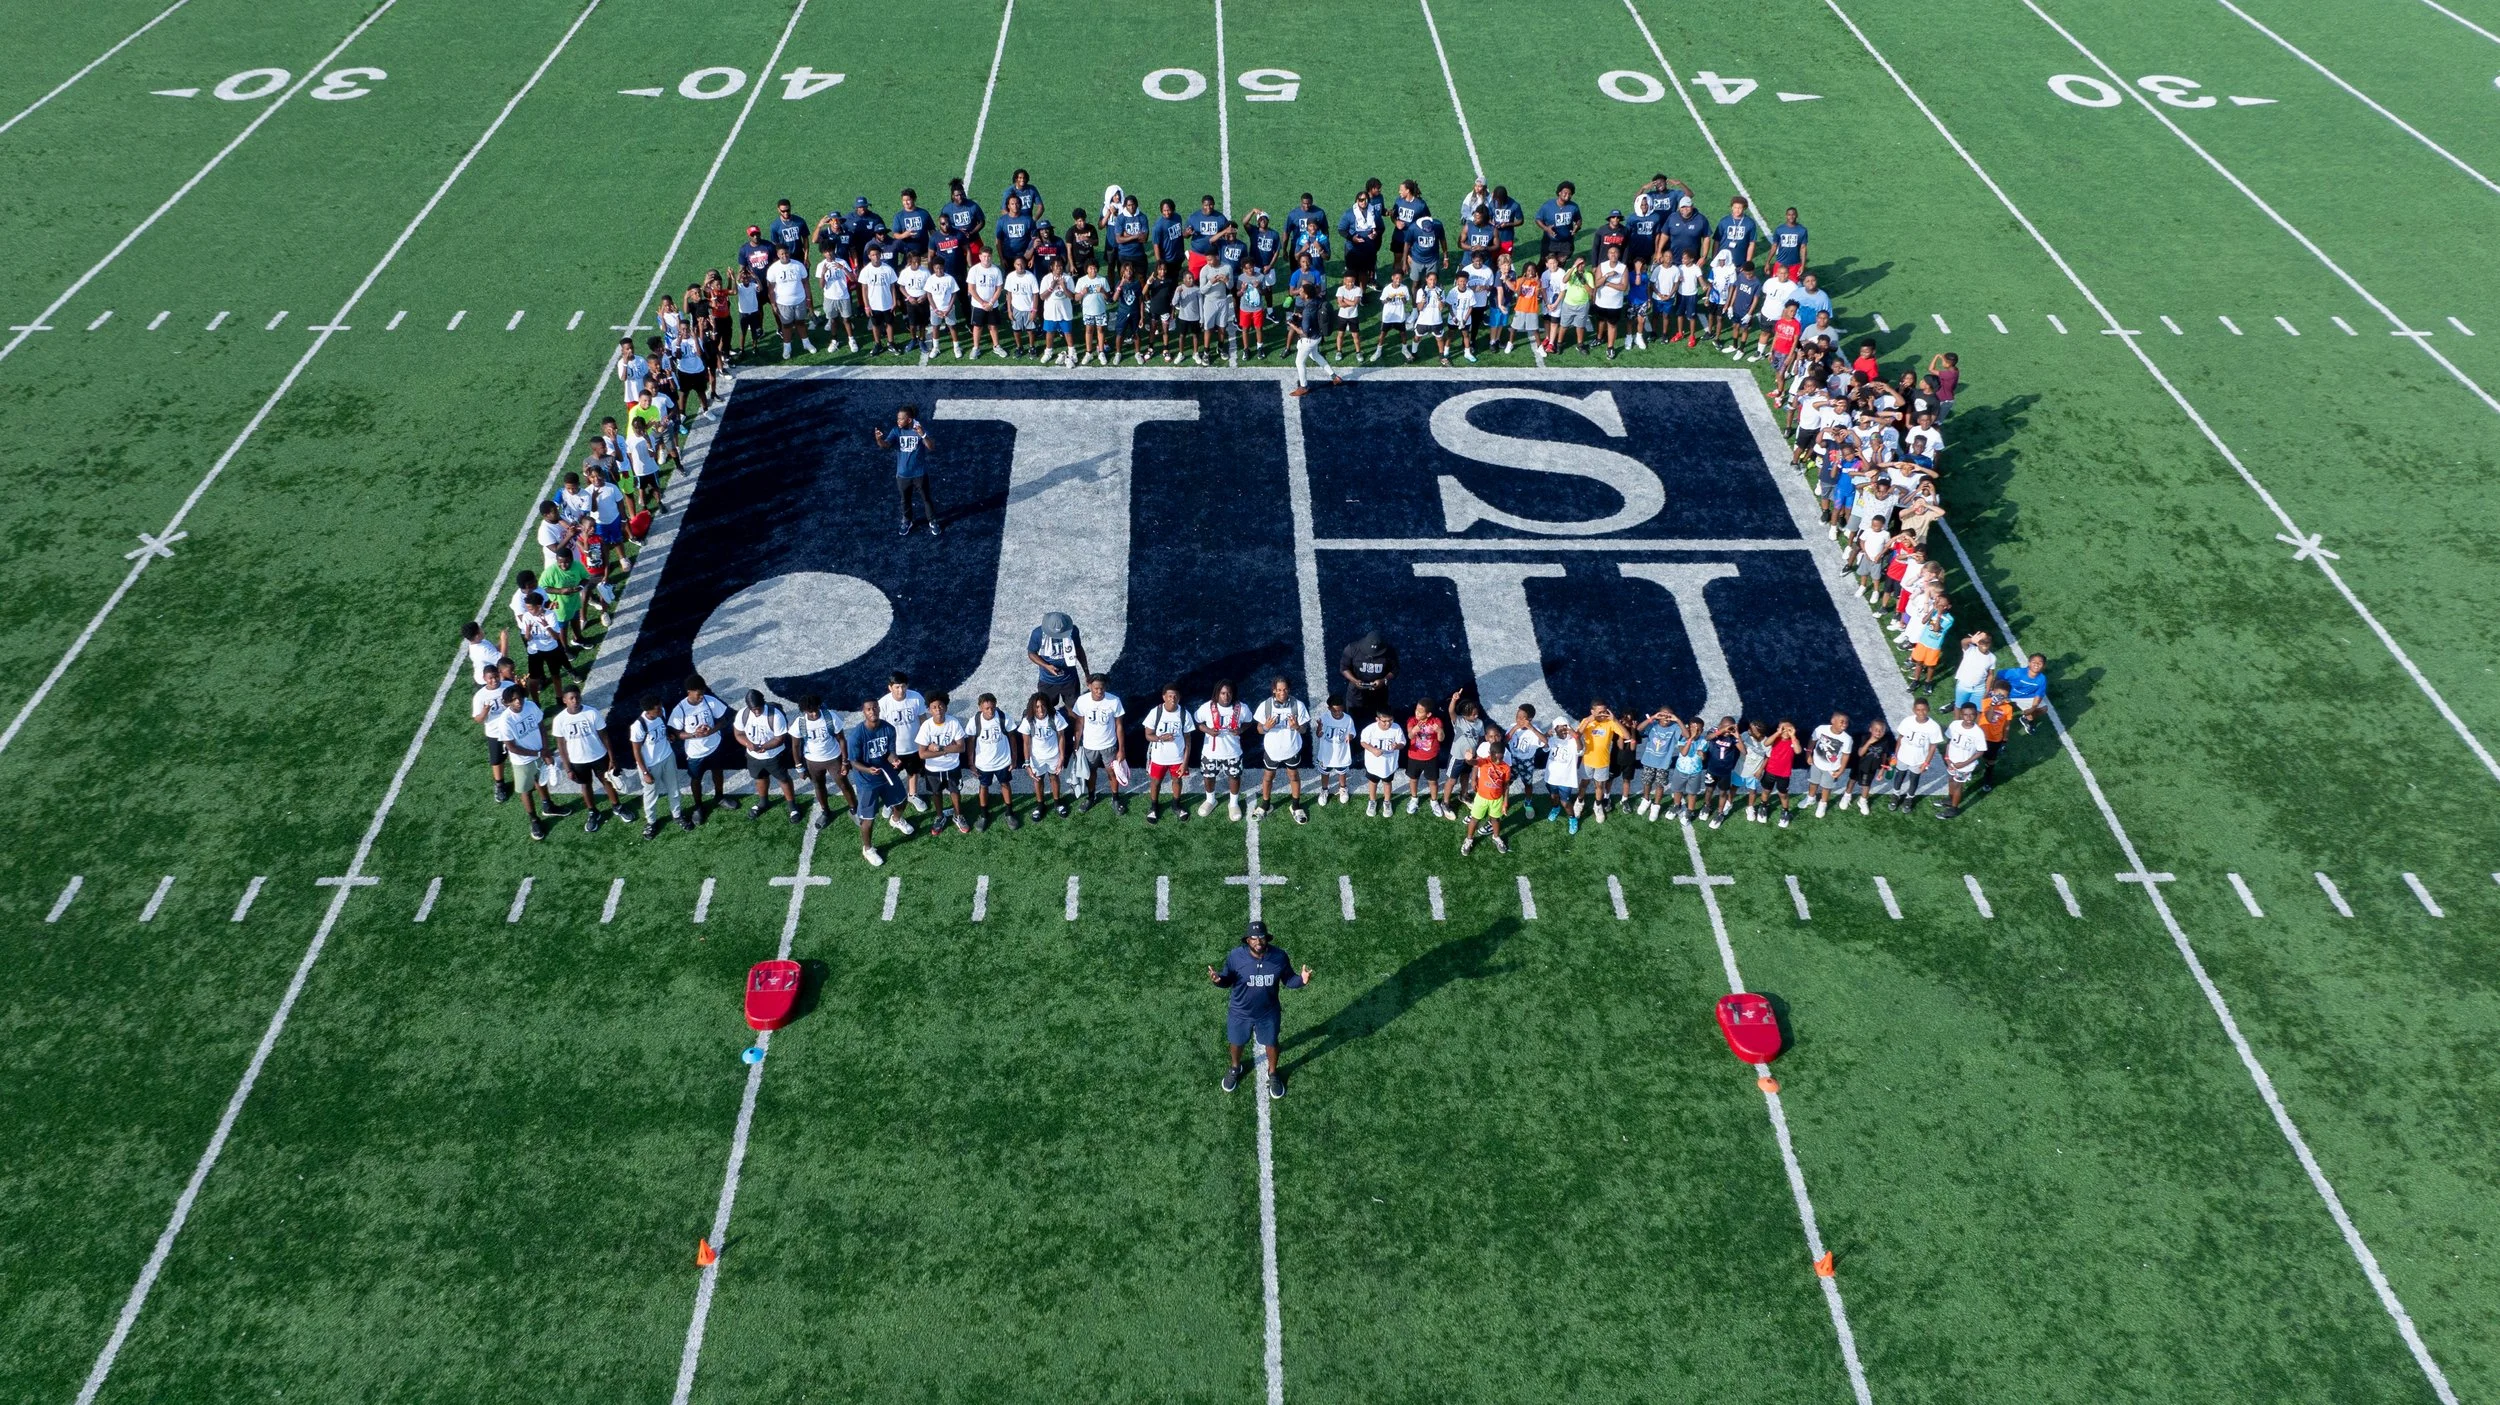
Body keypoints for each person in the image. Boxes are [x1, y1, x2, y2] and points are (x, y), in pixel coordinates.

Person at [1209, 921, 1311, 1098]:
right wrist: (1218, 980)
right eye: (1254, 938)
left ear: (1267, 938)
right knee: (1236, 1042)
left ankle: (1272, 1073)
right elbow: (1227, 979)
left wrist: (1301, 980)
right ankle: (1235, 1067)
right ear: (1247, 940)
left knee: (1271, 1043)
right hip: (1240, 1012)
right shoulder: (1235, 956)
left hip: (1268, 1012)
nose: (1258, 941)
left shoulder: (1279, 957)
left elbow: (1288, 980)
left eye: (1261, 937)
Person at [844, 697, 916, 865]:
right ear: (864, 712)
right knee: (868, 820)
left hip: (886, 773)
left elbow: (890, 753)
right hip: (867, 781)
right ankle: (868, 849)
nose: (872, 711)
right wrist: (868, 769)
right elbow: (853, 762)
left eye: (875, 708)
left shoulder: (889, 729)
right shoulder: (856, 735)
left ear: (879, 708)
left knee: (902, 802)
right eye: (869, 709)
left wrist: (895, 760)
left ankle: (896, 820)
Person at [550, 685, 622, 834]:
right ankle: (592, 812)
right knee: (585, 785)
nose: (575, 700)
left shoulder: (592, 712)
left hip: (598, 755)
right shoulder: (560, 720)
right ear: (564, 700)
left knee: (607, 781)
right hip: (577, 760)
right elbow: (561, 746)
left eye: (577, 697)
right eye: (571, 698)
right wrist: (568, 768)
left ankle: (617, 806)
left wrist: (612, 757)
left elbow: (604, 736)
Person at [488, 683, 553, 841]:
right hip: (522, 761)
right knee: (526, 790)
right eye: (514, 699)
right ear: (507, 702)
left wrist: (545, 750)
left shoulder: (530, 706)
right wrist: (538, 752)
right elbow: (512, 747)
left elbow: (541, 727)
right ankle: (534, 820)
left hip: (539, 753)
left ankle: (547, 805)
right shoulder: (505, 721)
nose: (519, 702)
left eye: (520, 698)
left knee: (541, 781)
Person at [628, 693, 694, 837]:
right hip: (650, 765)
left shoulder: (661, 713)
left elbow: (664, 730)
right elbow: (637, 751)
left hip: (667, 757)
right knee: (651, 795)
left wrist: (669, 736)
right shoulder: (638, 726)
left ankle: (677, 815)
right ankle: (651, 822)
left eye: (660, 707)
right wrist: (645, 772)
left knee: (674, 789)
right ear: (648, 711)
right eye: (657, 709)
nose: (661, 710)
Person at [668, 675, 732, 820]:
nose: (701, 696)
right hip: (695, 752)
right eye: (698, 694)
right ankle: (698, 806)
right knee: (696, 779)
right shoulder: (680, 709)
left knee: (718, 772)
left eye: (703, 692)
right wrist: (694, 735)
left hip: (714, 746)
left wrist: (712, 731)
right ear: (689, 692)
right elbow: (676, 733)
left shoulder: (709, 701)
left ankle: (720, 797)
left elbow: (723, 720)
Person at [735, 689, 800, 822]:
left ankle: (792, 807)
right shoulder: (743, 714)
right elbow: (738, 733)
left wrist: (763, 747)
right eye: (754, 710)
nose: (757, 712)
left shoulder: (775, 715)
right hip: (753, 757)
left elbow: (779, 738)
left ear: (763, 703)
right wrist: (749, 744)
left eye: (759, 708)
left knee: (783, 779)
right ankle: (763, 802)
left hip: (774, 756)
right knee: (760, 778)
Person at [875, 403, 938, 538]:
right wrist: (879, 440)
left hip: (919, 474)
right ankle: (907, 521)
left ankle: (932, 521)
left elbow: (931, 447)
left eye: (901, 419)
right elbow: (886, 445)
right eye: (898, 419)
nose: (898, 421)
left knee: (926, 498)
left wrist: (923, 435)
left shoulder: (919, 429)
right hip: (903, 475)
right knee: (905, 500)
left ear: (909, 419)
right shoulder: (896, 431)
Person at [1252, 676, 1311, 821]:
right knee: (1268, 777)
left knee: (1293, 776)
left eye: (1285, 689)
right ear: (1274, 690)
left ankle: (1296, 806)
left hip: (1292, 749)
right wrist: (1266, 727)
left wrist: (1297, 726)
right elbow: (1259, 729)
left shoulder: (1298, 705)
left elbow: (1304, 730)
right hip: (1272, 750)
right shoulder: (1265, 705)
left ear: (1288, 689)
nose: (1282, 692)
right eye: (1279, 690)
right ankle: (1266, 805)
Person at [791, 694, 853, 827]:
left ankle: (854, 810)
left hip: (833, 758)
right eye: (810, 711)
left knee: (843, 784)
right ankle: (826, 812)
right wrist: (799, 767)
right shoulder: (800, 722)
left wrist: (845, 761)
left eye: (815, 710)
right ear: (804, 711)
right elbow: (795, 746)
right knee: (818, 786)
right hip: (812, 761)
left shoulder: (830, 717)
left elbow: (841, 739)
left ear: (819, 706)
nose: (813, 714)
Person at [915, 692, 973, 834]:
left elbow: (961, 747)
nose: (938, 709)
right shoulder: (926, 726)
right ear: (929, 709)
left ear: (946, 708)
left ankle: (958, 816)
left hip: (952, 766)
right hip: (933, 768)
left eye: (940, 706)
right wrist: (947, 750)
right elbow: (922, 753)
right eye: (934, 707)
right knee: (936, 792)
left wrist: (938, 748)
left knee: (955, 791)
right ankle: (939, 816)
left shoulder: (953, 722)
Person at [1071, 673, 1127, 814]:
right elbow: (1079, 724)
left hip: (1109, 746)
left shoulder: (1114, 701)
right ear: (1089, 686)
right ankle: (1091, 797)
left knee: (1112, 773)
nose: (1099, 691)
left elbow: (1119, 726)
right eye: (1096, 688)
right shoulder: (1082, 701)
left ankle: (1115, 798)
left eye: (1101, 688)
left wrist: (1121, 749)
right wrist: (1076, 745)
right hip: (1090, 746)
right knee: (1090, 774)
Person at [1194, 680, 1251, 820]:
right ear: (1217, 693)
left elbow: (1249, 722)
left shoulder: (1242, 708)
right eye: (1223, 693)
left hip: (1233, 751)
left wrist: (1241, 730)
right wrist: (1207, 730)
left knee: (1234, 777)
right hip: (1210, 752)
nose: (1226, 696)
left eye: (1229, 693)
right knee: (1208, 777)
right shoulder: (1207, 707)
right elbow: (1197, 722)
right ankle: (1210, 800)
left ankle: (1233, 803)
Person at [1140, 685, 1194, 825]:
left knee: (1177, 781)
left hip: (1177, 758)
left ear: (1179, 697)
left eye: (1175, 696)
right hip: (1159, 758)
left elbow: (1188, 740)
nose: (1172, 699)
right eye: (1169, 696)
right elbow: (1147, 735)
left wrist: (1185, 762)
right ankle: (1153, 806)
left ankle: (1176, 805)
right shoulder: (1155, 712)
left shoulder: (1184, 713)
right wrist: (1160, 738)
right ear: (1164, 697)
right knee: (1155, 782)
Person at [964, 693, 1019, 830]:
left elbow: (1012, 738)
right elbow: (970, 742)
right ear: (980, 708)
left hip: (1002, 761)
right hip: (983, 763)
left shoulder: (1003, 717)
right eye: (987, 708)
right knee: (983, 787)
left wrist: (1014, 758)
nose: (990, 711)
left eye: (992, 708)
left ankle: (1009, 813)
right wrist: (971, 763)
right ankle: (983, 815)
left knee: (1005, 784)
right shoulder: (974, 721)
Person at [1015, 691, 1070, 821]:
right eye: (1037, 707)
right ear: (1032, 708)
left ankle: (1057, 803)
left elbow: (1061, 737)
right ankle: (1040, 805)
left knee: (1054, 778)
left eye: (1043, 705)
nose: (1040, 709)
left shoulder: (1055, 716)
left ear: (1047, 705)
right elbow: (1026, 743)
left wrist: (1062, 757)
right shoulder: (1028, 720)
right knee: (1037, 780)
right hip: (1037, 758)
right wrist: (1027, 763)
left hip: (1053, 756)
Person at [1576, 702, 1633, 820]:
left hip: (1603, 762)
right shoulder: (1586, 721)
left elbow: (1627, 736)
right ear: (1592, 711)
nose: (1603, 714)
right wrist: (1588, 720)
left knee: (1599, 786)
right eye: (1600, 712)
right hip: (1587, 761)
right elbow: (1577, 735)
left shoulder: (1611, 722)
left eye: (1605, 711)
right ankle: (1579, 802)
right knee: (1583, 784)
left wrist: (1615, 720)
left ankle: (1597, 806)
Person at [1889, 699, 1944, 813]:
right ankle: (1896, 795)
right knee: (1899, 777)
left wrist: (1926, 763)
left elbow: (1933, 746)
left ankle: (1909, 798)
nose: (1921, 712)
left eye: (1924, 709)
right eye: (1918, 710)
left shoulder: (1933, 726)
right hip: (1903, 756)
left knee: (1914, 780)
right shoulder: (1907, 721)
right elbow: (1900, 738)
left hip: (1919, 759)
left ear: (1928, 709)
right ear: (1914, 710)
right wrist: (1895, 754)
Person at [1631, 707, 1683, 821]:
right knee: (1647, 782)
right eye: (1663, 715)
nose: (1666, 717)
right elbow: (1638, 729)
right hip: (1649, 761)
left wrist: (1678, 720)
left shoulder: (1675, 728)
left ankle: (1656, 805)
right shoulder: (1653, 724)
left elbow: (1687, 736)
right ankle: (1646, 799)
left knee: (1659, 785)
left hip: (1663, 763)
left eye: (1669, 715)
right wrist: (1653, 717)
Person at [1459, 740, 1511, 855]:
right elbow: (1473, 762)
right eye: (1495, 758)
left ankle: (1496, 837)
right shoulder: (1483, 761)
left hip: (1497, 800)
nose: (1498, 761)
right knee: (1475, 819)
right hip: (1481, 798)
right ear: (1490, 753)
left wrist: (1505, 802)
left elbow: (1506, 786)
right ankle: (1469, 839)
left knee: (1495, 820)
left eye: (1501, 758)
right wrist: (1468, 758)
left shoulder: (1506, 768)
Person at [1938, 703, 1988, 819]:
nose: (1969, 718)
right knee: (1951, 780)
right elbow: (1949, 741)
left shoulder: (1978, 732)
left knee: (1957, 785)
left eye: (1972, 715)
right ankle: (1950, 799)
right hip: (1952, 761)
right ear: (1961, 714)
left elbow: (1980, 752)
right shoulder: (1955, 725)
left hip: (1965, 766)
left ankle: (1954, 809)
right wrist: (1947, 757)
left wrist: (1964, 764)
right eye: (1965, 715)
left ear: (1976, 715)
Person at [1290, 282, 1339, 397]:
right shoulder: (1317, 300)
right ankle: (1334, 377)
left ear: (1306, 295)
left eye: (1301, 291)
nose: (1299, 292)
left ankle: (1303, 387)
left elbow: (1304, 332)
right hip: (1318, 336)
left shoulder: (1307, 310)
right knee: (1315, 355)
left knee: (1299, 362)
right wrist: (1302, 317)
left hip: (1309, 340)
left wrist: (1292, 325)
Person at [765, 245, 815, 358]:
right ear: (778, 255)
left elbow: (806, 283)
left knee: (800, 323)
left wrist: (808, 298)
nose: (784, 256)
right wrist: (773, 304)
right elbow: (771, 289)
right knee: (786, 326)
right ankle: (787, 347)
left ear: (789, 253)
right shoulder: (773, 269)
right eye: (782, 254)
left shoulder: (798, 265)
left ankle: (806, 343)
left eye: (786, 253)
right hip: (783, 302)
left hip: (800, 300)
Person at [1338, 630, 1396, 720]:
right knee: (1354, 720)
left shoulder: (1389, 652)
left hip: (1379, 693)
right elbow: (1344, 668)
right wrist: (1354, 680)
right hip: (1356, 693)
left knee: (1377, 720)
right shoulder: (1352, 648)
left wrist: (1384, 680)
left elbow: (1395, 670)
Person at [1401, 698, 1446, 816]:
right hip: (1414, 757)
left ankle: (1434, 801)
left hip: (1431, 758)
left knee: (1433, 781)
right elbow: (1410, 736)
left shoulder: (1436, 721)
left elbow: (1441, 739)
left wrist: (1440, 731)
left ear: (1429, 714)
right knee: (1413, 779)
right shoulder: (1411, 720)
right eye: (1416, 710)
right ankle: (1414, 799)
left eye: (1420, 711)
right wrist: (1415, 730)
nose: (1417, 713)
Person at [1358, 707, 1405, 817]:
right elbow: (1363, 742)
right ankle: (1372, 801)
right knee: (1373, 783)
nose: (1388, 724)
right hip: (1373, 765)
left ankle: (1387, 802)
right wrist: (1373, 750)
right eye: (1384, 721)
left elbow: (1402, 743)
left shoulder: (1396, 728)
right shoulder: (1370, 729)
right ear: (1377, 719)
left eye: (1390, 720)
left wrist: (1397, 746)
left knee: (1387, 783)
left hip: (1389, 765)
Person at [1311, 695, 1357, 806]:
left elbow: (1352, 732)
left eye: (1340, 710)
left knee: (1342, 772)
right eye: (1335, 711)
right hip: (1326, 754)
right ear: (1329, 708)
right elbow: (1319, 734)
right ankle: (1324, 790)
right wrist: (1319, 729)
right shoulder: (1324, 718)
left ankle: (1343, 788)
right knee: (1325, 773)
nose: (1338, 713)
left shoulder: (1348, 719)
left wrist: (1350, 736)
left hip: (1341, 753)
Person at [1806, 713, 1852, 818]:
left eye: (1846, 722)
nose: (1844, 724)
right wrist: (1808, 754)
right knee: (1813, 782)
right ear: (1833, 721)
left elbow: (1845, 755)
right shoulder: (1821, 729)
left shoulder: (1847, 739)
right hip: (1816, 763)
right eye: (1842, 721)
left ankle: (1823, 804)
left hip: (1832, 768)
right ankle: (1810, 798)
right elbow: (1812, 740)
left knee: (1826, 787)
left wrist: (1841, 769)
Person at [1997, 652, 2048, 732]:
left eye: (2040, 663)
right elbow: (1999, 675)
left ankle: (2026, 718)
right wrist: (1998, 692)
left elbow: (2039, 694)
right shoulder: (2017, 673)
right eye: (2034, 662)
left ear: (2044, 666)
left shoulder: (2042, 679)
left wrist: (2032, 708)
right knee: (1995, 711)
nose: (2037, 664)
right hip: (2008, 695)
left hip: (2025, 697)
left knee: (2043, 709)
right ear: (2029, 663)